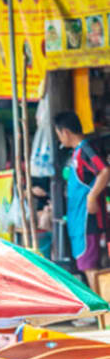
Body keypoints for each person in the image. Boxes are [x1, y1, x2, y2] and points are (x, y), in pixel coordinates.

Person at [54, 111, 110, 272]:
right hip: (79, 220)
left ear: (65, 131)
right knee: (88, 267)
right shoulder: (77, 152)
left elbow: (104, 171)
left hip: (89, 221)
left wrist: (91, 197)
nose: (60, 138)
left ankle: (97, 298)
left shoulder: (85, 150)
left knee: (91, 269)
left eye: (59, 134)